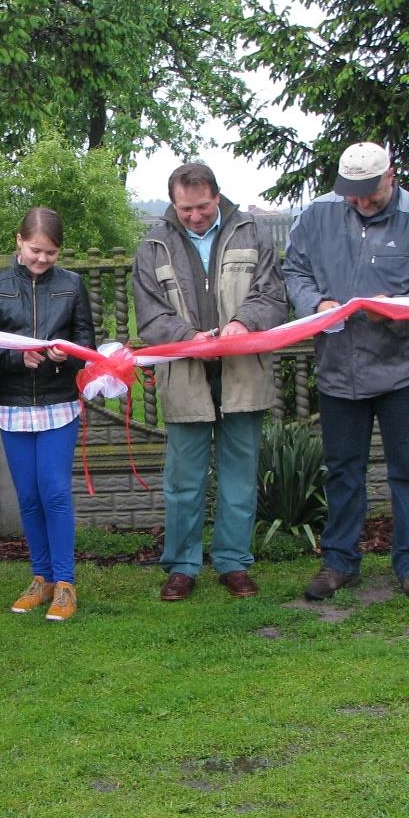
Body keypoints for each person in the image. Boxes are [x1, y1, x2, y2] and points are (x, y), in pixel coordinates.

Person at [284, 142, 409, 602]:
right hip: (339, 369)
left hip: (403, 370)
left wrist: (399, 311)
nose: (361, 202)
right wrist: (315, 304)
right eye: (352, 194)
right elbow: (295, 270)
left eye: (369, 193)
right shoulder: (315, 217)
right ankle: (340, 562)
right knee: (343, 470)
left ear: (391, 176)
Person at [132, 162, 288, 602]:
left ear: (217, 197)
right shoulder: (153, 245)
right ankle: (182, 566)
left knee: (239, 475)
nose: (195, 216)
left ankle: (234, 563)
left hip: (243, 372)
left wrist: (242, 323)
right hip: (185, 375)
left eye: (202, 207)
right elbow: (149, 315)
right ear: (173, 203)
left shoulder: (252, 233)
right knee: (184, 479)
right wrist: (188, 338)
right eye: (186, 209)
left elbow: (272, 295)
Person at [0, 208, 96, 621]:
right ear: (19, 242)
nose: (43, 259)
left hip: (59, 403)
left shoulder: (72, 285)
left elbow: (85, 342)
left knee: (55, 492)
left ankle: (65, 583)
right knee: (29, 496)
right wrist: (15, 357)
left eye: (52, 252)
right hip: (13, 406)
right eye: (36, 250)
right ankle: (40, 578)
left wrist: (67, 357)